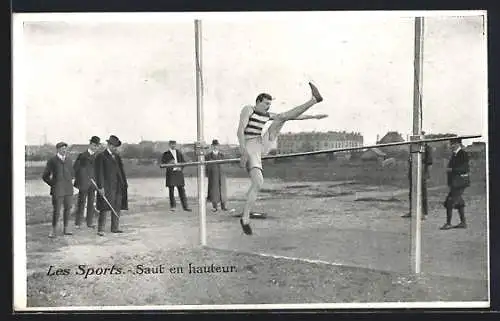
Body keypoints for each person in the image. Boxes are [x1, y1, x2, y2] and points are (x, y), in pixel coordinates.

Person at [237, 82, 326, 235]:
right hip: (250, 145)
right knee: (258, 182)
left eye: (269, 104)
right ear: (258, 102)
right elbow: (239, 131)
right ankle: (245, 218)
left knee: (281, 118)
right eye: (265, 104)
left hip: (261, 144)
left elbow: (292, 117)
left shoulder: (266, 115)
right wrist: (243, 152)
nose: (268, 107)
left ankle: (314, 100)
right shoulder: (248, 109)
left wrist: (313, 116)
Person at [94, 135, 129, 236]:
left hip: (118, 186)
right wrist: (100, 187)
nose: (115, 148)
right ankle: (101, 229)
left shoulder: (117, 157)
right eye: (113, 146)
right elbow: (99, 173)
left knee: (117, 206)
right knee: (104, 208)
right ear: (108, 145)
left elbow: (121, 171)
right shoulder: (101, 156)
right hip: (107, 186)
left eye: (116, 146)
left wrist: (124, 184)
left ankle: (115, 227)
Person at [42, 142, 75, 238]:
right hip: (57, 191)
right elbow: (45, 176)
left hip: (68, 190)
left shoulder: (69, 160)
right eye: (62, 149)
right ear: (58, 149)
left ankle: (66, 228)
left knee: (68, 209)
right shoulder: (52, 160)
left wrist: (70, 178)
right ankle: (53, 230)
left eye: (65, 148)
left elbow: (72, 173)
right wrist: (53, 184)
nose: (64, 150)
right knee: (56, 210)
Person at [440, 138, 470, 230]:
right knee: (459, 203)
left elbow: (465, 169)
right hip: (455, 182)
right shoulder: (454, 154)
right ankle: (463, 223)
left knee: (449, 202)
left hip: (460, 182)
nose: (450, 146)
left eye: (452, 144)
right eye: (450, 144)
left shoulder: (463, 154)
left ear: (457, 144)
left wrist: (452, 170)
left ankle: (448, 223)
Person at [403, 131, 433, 219]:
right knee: (412, 193)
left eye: (421, 137)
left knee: (423, 193)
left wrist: (427, 174)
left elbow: (429, 163)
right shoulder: (413, 147)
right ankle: (412, 211)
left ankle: (424, 213)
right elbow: (410, 160)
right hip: (413, 172)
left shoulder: (428, 148)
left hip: (422, 173)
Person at [73, 136, 100, 228]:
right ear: (90, 144)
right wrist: (82, 177)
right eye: (94, 145)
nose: (95, 147)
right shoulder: (82, 156)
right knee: (81, 202)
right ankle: (78, 223)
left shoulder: (97, 156)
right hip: (83, 183)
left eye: (97, 146)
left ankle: (90, 222)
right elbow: (76, 168)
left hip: (93, 184)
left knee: (91, 203)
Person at [161, 140, 192, 212]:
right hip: (171, 174)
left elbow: (183, 162)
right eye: (172, 144)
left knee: (181, 190)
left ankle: (185, 206)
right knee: (171, 190)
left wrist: (181, 167)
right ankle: (173, 206)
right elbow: (163, 163)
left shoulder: (178, 152)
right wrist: (170, 163)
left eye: (174, 144)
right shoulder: (166, 154)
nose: (173, 145)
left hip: (178, 173)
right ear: (169, 145)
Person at [205, 139, 230, 212]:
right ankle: (215, 206)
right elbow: (206, 166)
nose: (216, 147)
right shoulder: (208, 156)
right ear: (212, 146)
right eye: (214, 145)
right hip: (213, 175)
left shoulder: (222, 155)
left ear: (218, 146)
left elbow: (224, 165)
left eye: (217, 145)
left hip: (221, 175)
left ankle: (223, 206)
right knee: (213, 190)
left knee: (222, 190)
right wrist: (208, 174)